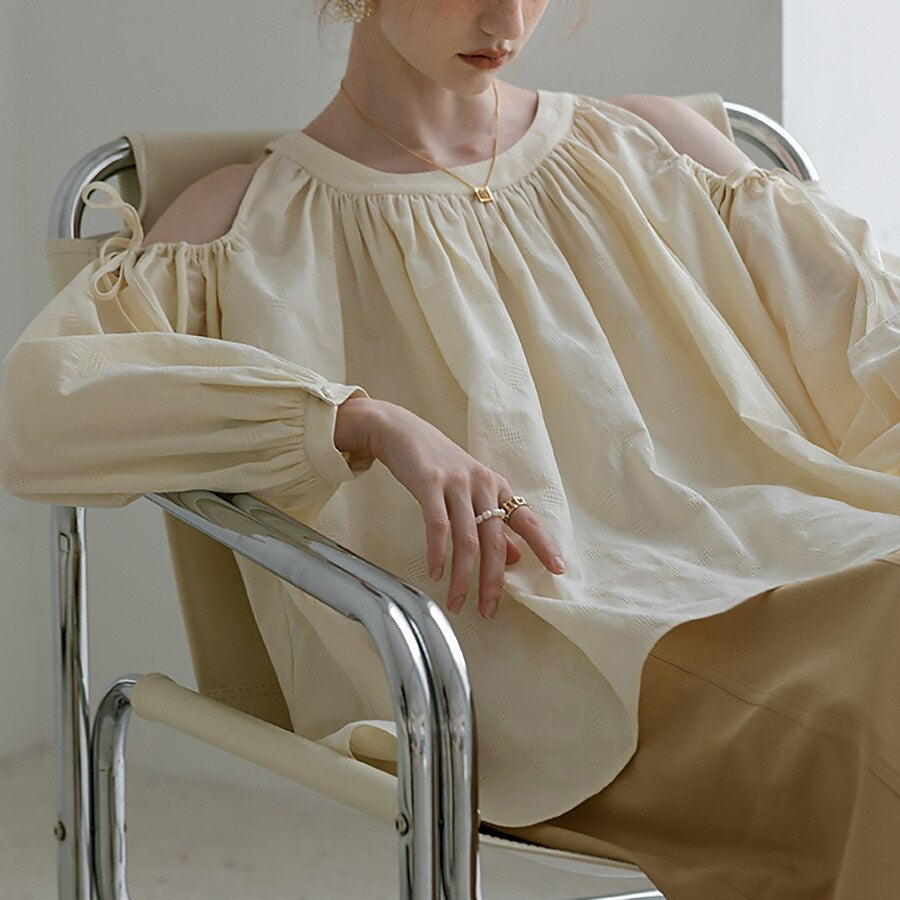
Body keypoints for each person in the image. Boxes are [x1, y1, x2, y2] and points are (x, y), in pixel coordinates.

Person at [2, 1, 899, 896]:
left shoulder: (652, 145)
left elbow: (872, 326)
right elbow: (37, 416)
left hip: (813, 563)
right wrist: (352, 419)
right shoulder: (246, 221)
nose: (505, 18)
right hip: (563, 671)